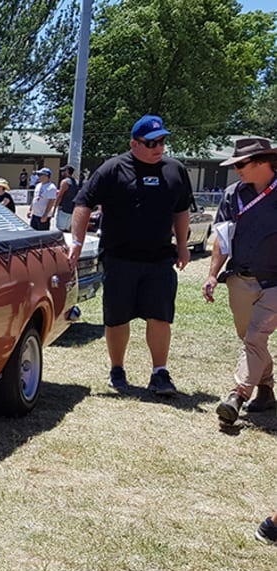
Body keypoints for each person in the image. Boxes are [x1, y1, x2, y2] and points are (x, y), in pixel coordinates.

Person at [68, 114, 193, 396]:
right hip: (119, 257)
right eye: (151, 143)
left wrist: (183, 245)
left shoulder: (175, 170)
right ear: (134, 144)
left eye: (162, 141)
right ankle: (117, 369)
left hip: (160, 258)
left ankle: (160, 373)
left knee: (160, 316)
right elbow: (83, 202)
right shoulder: (113, 169)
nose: (158, 147)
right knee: (117, 318)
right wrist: (76, 241)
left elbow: (181, 209)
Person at [201, 137, 277, 425]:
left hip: (274, 284)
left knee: (256, 337)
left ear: (263, 162)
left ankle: (237, 395)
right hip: (239, 279)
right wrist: (211, 274)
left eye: (242, 164)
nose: (237, 170)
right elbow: (222, 237)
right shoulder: (233, 194)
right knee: (249, 339)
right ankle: (267, 389)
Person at [53, 164, 79, 232]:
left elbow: (60, 196)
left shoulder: (65, 182)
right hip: (72, 209)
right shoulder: (76, 182)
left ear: (67, 171)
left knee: (60, 230)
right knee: (68, 230)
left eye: (63, 171)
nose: (62, 172)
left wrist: (54, 209)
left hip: (63, 209)